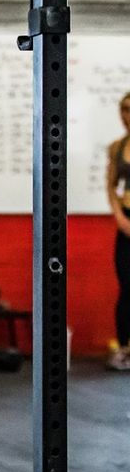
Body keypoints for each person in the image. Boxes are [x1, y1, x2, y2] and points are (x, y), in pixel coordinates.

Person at [106, 91, 130, 370]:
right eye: (123, 110)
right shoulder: (116, 147)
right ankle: (124, 347)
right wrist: (120, 218)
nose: (127, 116)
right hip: (125, 222)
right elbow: (111, 186)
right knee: (126, 287)